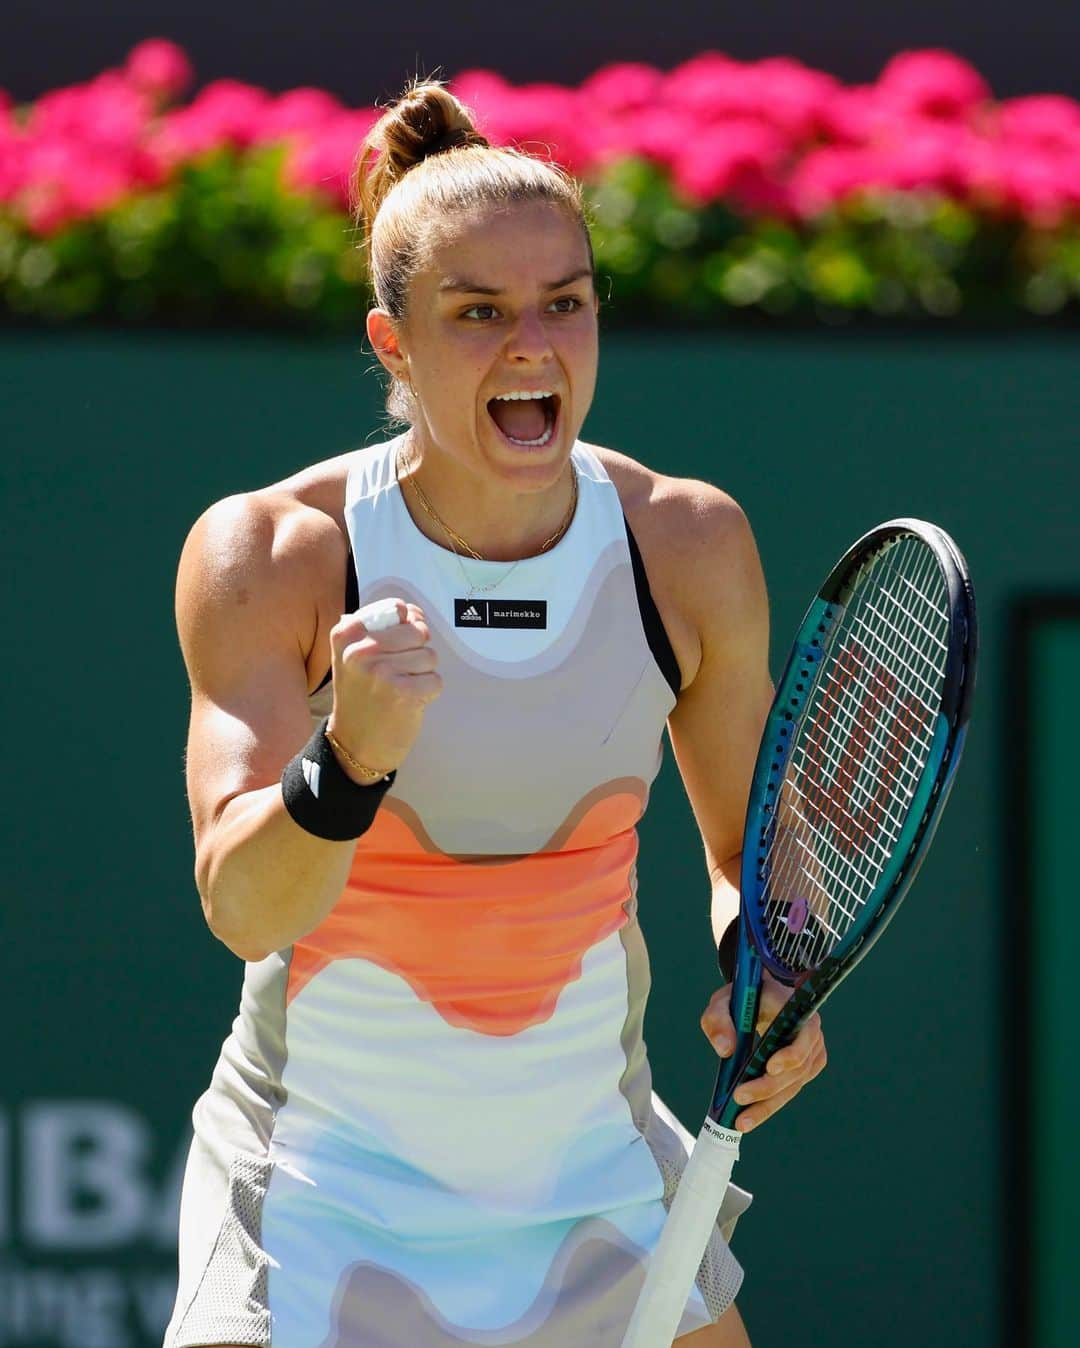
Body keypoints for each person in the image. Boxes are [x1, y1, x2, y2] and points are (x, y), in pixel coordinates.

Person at [163, 79, 826, 1348]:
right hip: (313, 1193)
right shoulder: (274, 552)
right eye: (478, 313)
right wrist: (349, 761)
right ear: (392, 342)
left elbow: (750, 861)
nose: (533, 344)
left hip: (595, 1187)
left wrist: (770, 972)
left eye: (564, 304)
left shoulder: (685, 544)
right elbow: (239, 904)